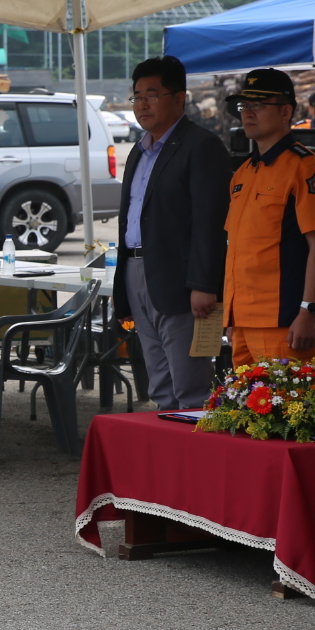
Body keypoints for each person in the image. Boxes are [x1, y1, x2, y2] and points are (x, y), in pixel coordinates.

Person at [112, 55, 231, 410]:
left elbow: (209, 221)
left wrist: (204, 284)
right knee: (159, 385)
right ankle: (166, 439)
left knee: (190, 387)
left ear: (179, 98)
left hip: (181, 281)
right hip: (137, 271)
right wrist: (123, 287)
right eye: (136, 96)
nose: (142, 105)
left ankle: (194, 445)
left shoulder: (201, 146)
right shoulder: (138, 151)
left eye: (152, 95)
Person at [221, 69, 315, 366]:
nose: (248, 113)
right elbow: (238, 248)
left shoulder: (304, 168)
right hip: (243, 321)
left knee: (286, 398)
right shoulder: (244, 172)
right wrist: (231, 317)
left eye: (259, 105)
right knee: (243, 398)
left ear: (285, 112)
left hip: (284, 321)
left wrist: (308, 311)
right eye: (244, 105)